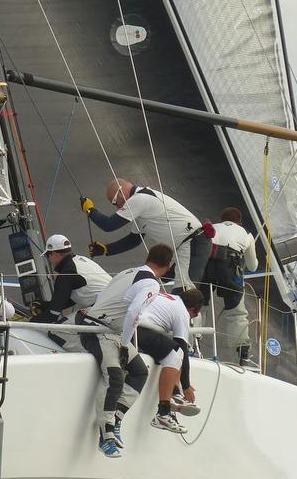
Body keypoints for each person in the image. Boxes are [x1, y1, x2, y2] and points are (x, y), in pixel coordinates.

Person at [78, 244, 174, 457]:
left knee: (140, 371)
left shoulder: (127, 272)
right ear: (167, 267)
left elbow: (106, 297)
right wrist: (124, 343)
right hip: (98, 331)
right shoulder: (152, 283)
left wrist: (122, 340)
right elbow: (133, 312)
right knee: (114, 377)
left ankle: (116, 418)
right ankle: (106, 435)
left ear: (149, 257)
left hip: (106, 329)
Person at [82, 178, 209, 289]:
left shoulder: (140, 199)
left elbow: (109, 225)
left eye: (115, 203)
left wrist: (90, 210)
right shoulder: (141, 207)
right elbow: (134, 240)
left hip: (192, 243)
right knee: (167, 284)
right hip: (187, 245)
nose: (117, 208)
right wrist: (106, 249)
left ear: (120, 193)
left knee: (185, 292)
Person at [137, 288, 205, 434]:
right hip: (139, 329)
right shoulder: (182, 312)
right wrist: (186, 385)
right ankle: (163, 414)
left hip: (132, 325)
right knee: (176, 354)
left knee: (173, 351)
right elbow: (182, 349)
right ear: (192, 310)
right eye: (194, 316)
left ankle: (174, 393)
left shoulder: (169, 299)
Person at [31, 234, 111, 351]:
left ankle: (99, 351)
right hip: (110, 305)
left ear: (55, 254)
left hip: (103, 309)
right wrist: (46, 305)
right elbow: (70, 299)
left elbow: (53, 314)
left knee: (56, 331)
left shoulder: (66, 273)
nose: (49, 259)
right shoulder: (81, 260)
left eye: (48, 255)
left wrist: (29, 323)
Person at [203, 207, 259, 368]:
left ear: (221, 219)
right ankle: (243, 355)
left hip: (206, 267)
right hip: (230, 271)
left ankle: (192, 344)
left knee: (200, 306)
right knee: (237, 313)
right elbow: (253, 266)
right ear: (239, 221)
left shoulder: (212, 228)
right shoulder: (246, 235)